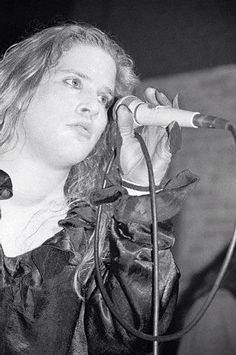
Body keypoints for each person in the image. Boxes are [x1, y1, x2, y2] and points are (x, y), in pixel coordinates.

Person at [0, 23, 198, 354]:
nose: (93, 107)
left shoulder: (98, 245)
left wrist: (139, 189)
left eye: (103, 97)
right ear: (23, 88)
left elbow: (130, 337)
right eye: (74, 82)